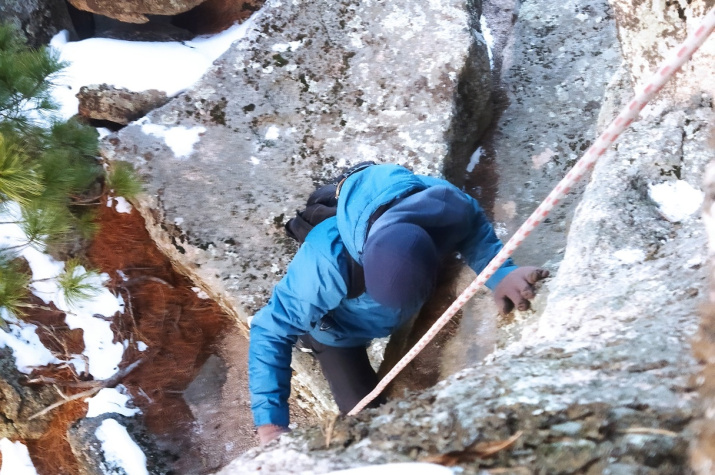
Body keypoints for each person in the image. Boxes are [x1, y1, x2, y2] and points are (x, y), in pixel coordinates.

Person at [248, 163, 549, 445]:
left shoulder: (445, 205)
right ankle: (308, 338)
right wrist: (271, 424)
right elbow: (270, 330)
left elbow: (475, 232)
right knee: (369, 429)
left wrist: (502, 273)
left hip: (381, 295)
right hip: (338, 334)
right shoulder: (325, 263)